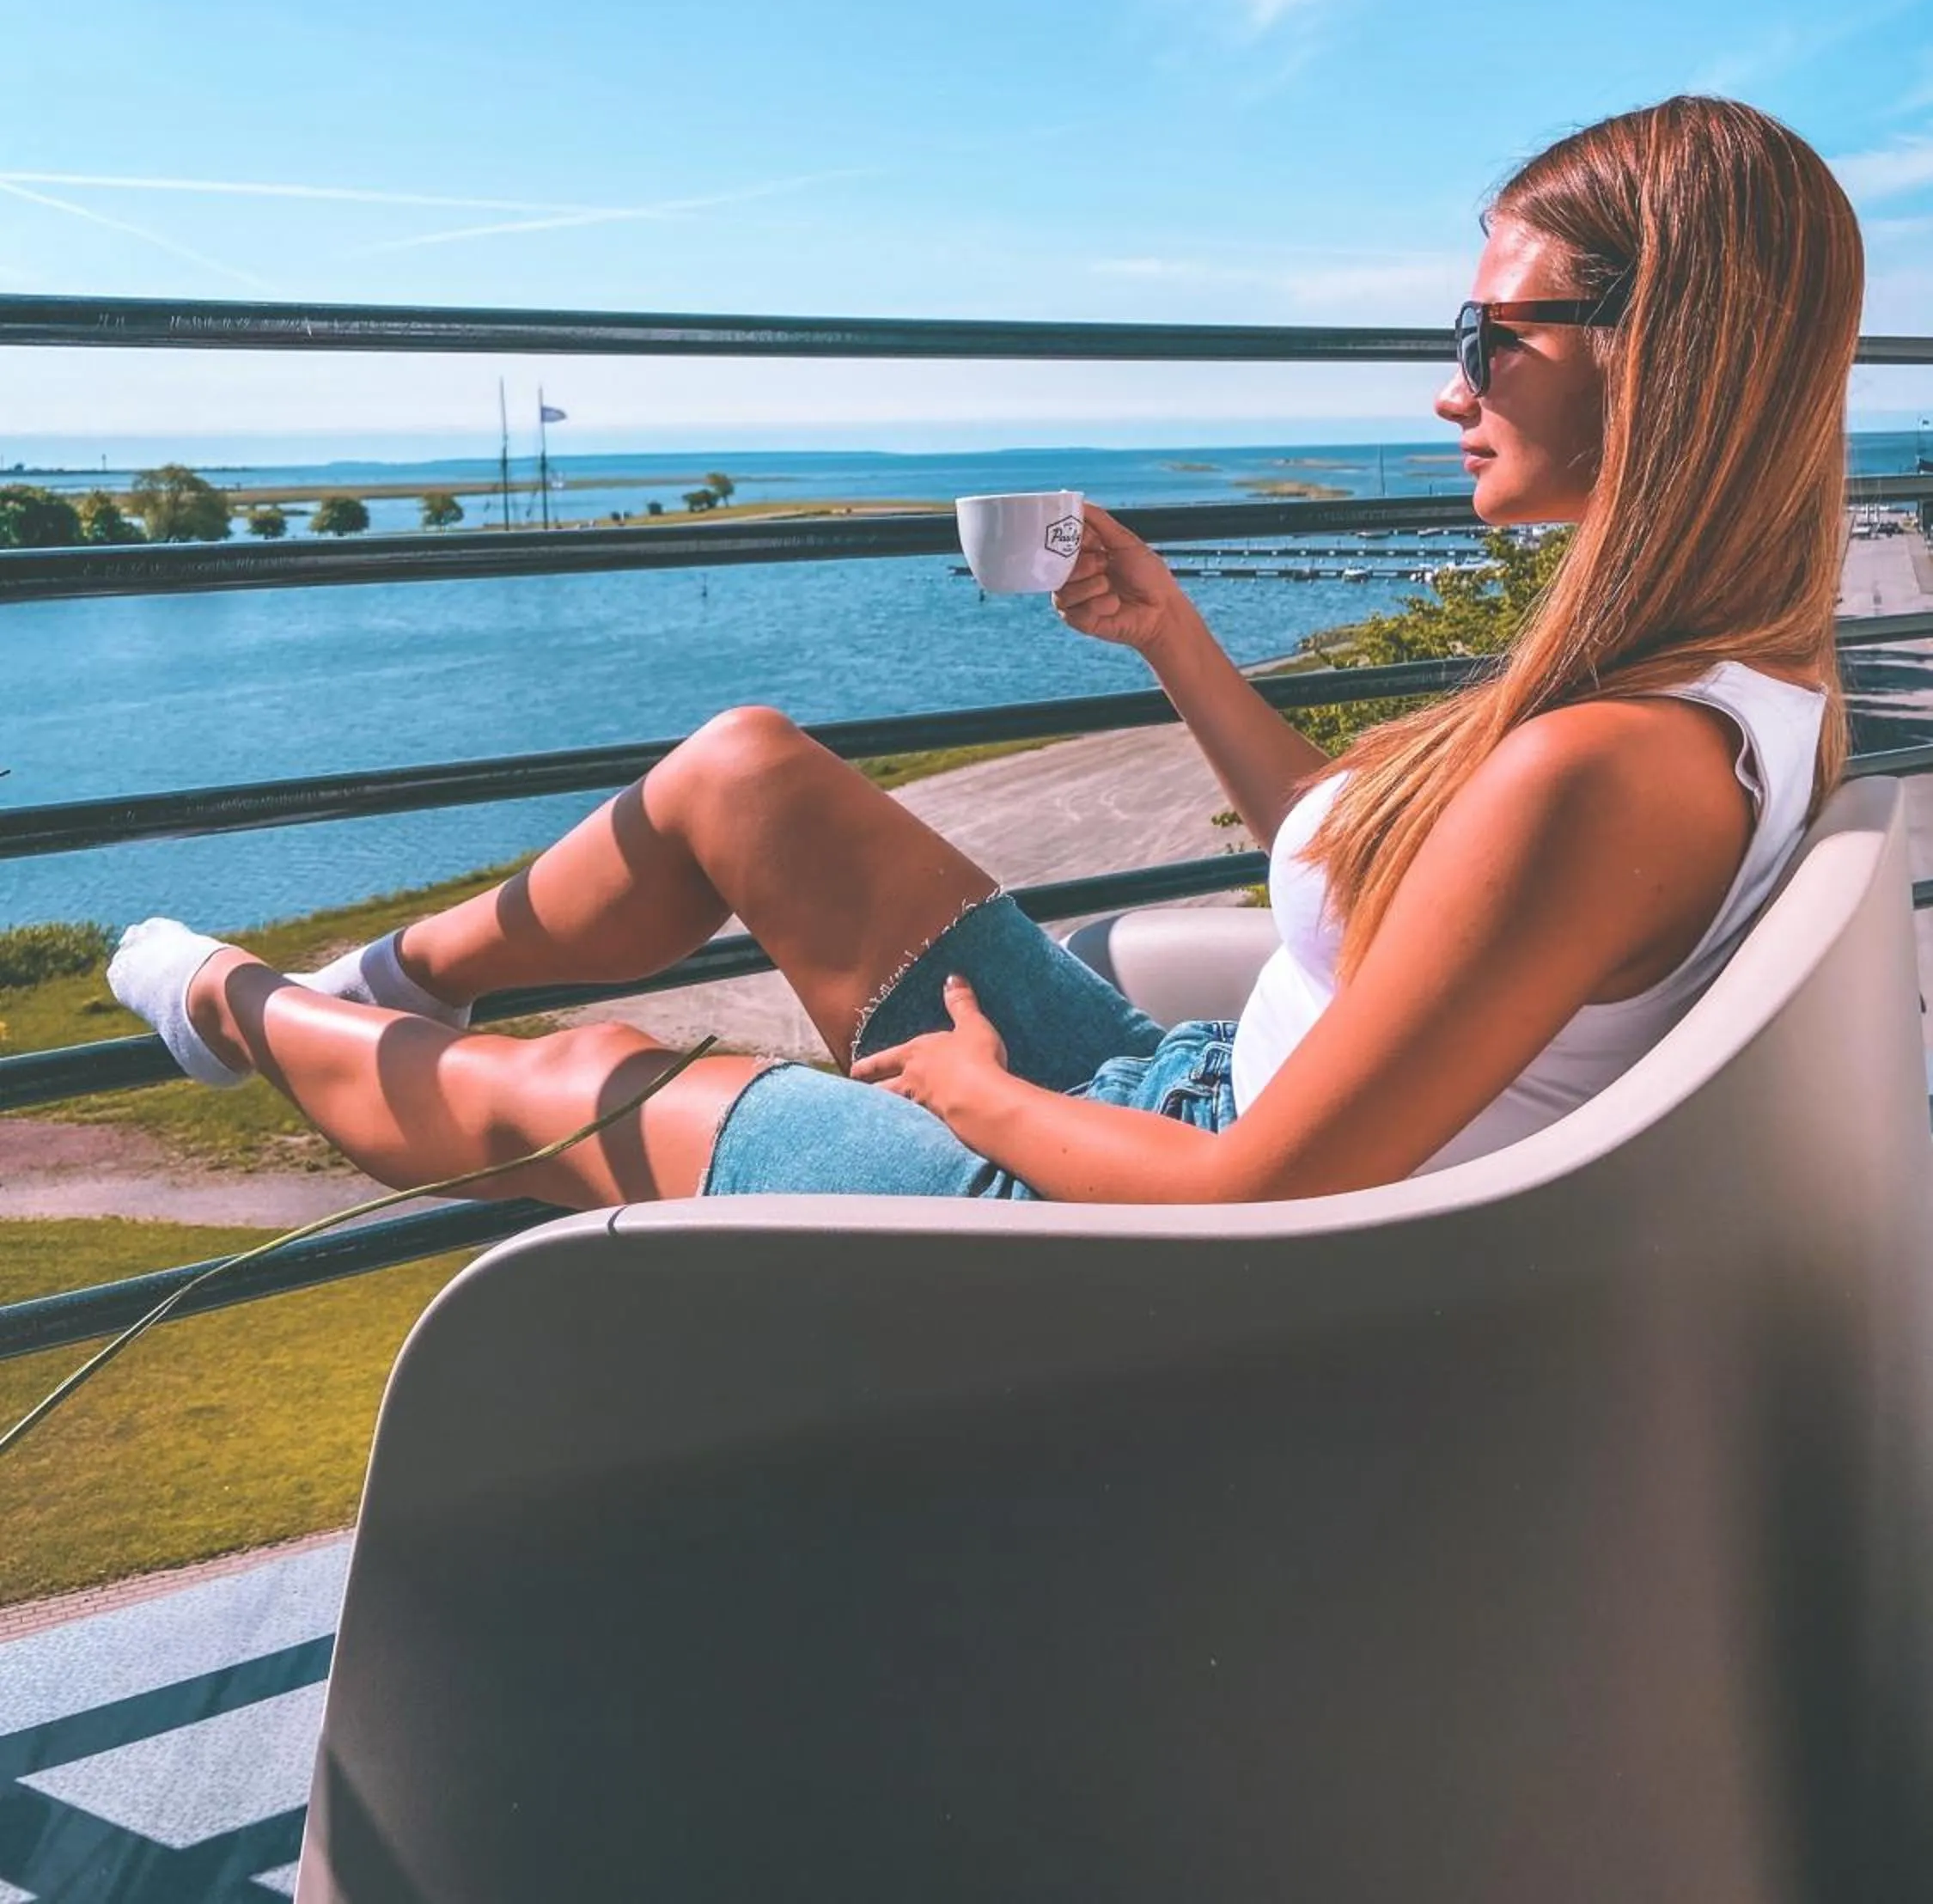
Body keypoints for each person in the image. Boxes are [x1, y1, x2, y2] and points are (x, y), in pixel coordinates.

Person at [108, 96, 1861, 1208]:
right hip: (1168, 1093)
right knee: (747, 772)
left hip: (1140, 1212)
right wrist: (1171, 635)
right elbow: (1401, 892)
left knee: (583, 1089)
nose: (1447, 388)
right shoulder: (1714, 691)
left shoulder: (1605, 763)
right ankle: (395, 983)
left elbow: (1255, 1196)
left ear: (1662, 352)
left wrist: (976, 1096)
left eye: (1491, 334)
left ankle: (230, 1006)